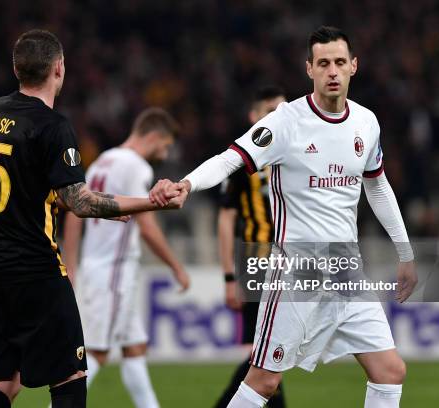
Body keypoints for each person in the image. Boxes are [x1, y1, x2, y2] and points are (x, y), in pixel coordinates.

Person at [150, 26, 417, 408]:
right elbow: (231, 158)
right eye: (323, 63)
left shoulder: (366, 123)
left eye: (340, 62)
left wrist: (405, 253)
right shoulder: (285, 122)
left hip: (347, 269)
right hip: (298, 270)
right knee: (264, 381)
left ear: (354, 66)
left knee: (390, 371)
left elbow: (376, 186)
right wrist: (187, 185)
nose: (332, 71)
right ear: (309, 68)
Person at [0, 29, 183, 408]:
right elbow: (79, 202)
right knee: (71, 378)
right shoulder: (53, 126)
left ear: (16, 68)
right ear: (59, 68)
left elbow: (24, 185)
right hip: (35, 271)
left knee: (1, 386)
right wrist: (150, 202)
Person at [63, 107, 190, 408]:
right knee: (96, 353)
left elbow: (72, 215)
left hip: (101, 267)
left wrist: (71, 266)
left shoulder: (102, 162)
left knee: (134, 347)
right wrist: (176, 266)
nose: (166, 152)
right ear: (155, 136)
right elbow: (146, 226)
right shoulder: (136, 166)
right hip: (114, 272)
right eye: (166, 145)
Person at [215, 86, 287, 408]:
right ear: (253, 116)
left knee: (269, 355)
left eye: (282, 110)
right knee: (265, 357)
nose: (277, 116)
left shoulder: (291, 153)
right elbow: (226, 220)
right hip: (257, 261)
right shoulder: (242, 160)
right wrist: (229, 277)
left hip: (289, 264)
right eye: (270, 110)